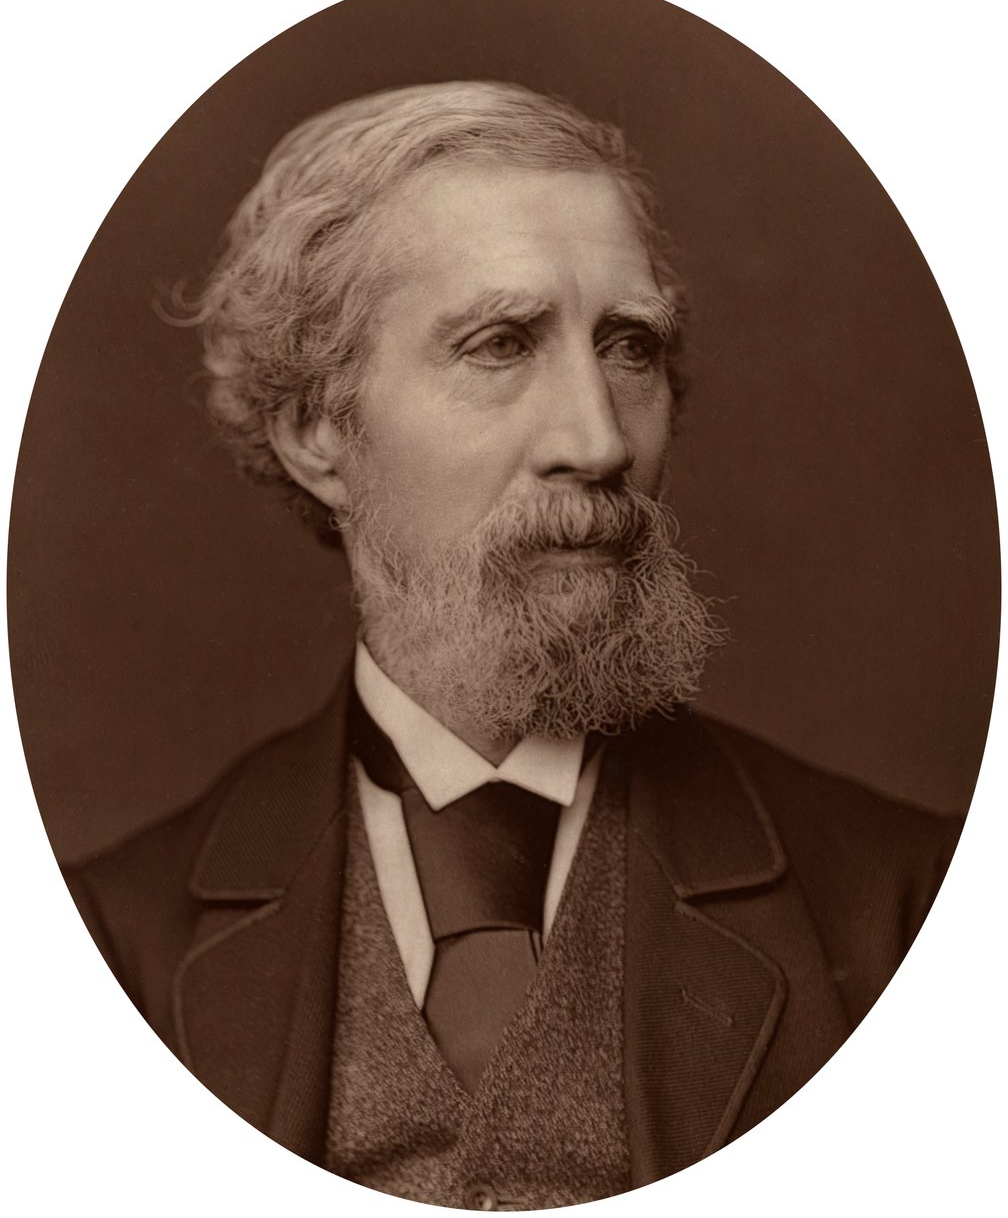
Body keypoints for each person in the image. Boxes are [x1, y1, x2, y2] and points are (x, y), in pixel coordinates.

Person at [64, 82, 960, 1209]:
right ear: (316, 430)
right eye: (499, 344)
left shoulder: (914, 910)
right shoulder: (103, 949)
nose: (598, 439)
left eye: (629, 347)